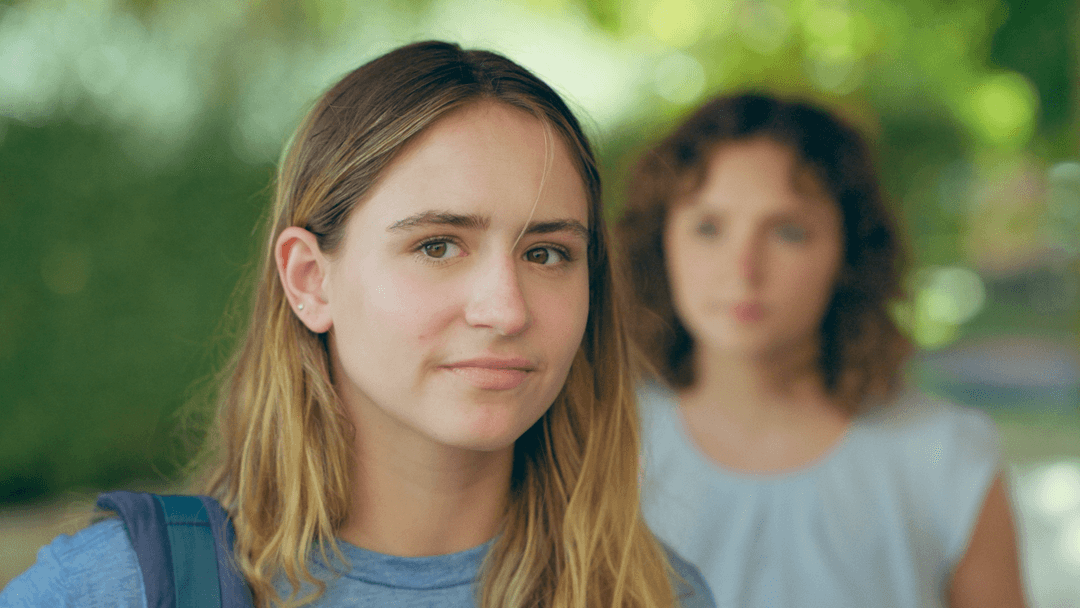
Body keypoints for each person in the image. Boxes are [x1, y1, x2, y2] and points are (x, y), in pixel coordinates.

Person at [1, 41, 715, 608]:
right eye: (438, 246)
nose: (506, 309)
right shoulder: (117, 590)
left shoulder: (657, 595)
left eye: (546, 253)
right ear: (310, 281)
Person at [617, 93, 1026, 608]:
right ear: (659, 243)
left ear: (848, 253)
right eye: (708, 228)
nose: (743, 269)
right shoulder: (600, 445)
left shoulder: (947, 456)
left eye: (787, 232)